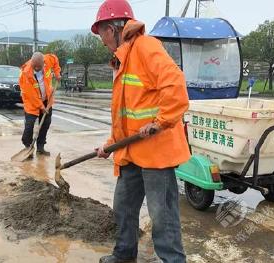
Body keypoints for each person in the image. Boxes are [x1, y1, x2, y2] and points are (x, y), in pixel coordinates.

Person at [91, 1, 191, 262]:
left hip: (156, 152)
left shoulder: (146, 47)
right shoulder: (121, 60)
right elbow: (125, 115)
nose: (101, 40)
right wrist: (109, 144)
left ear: (113, 28)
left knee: (162, 216)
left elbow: (176, 85)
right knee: (122, 206)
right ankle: (124, 254)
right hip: (131, 151)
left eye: (101, 32)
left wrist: (160, 121)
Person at [19, 52, 61, 156]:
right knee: (29, 126)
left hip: (47, 98)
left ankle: (40, 147)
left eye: (39, 66)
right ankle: (28, 146)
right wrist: (41, 107)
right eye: (34, 66)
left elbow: (55, 60)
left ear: (44, 62)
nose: (37, 68)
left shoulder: (48, 59)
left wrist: (57, 73)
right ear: (31, 62)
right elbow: (31, 95)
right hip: (31, 102)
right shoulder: (26, 73)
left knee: (45, 123)